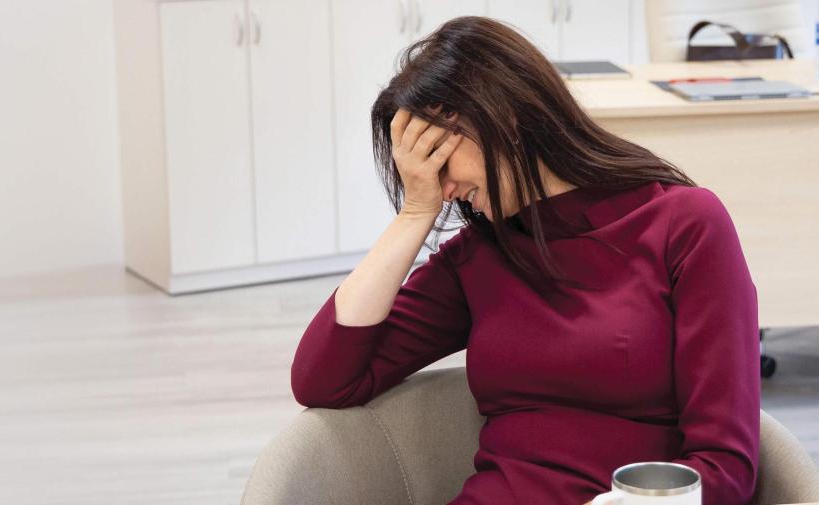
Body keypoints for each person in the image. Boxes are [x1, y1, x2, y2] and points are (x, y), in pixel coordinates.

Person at [290, 15, 760, 505]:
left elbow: (725, 467)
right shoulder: (478, 257)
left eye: (438, 159)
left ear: (503, 117)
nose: (442, 189)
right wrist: (414, 213)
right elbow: (324, 380)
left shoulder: (684, 224)